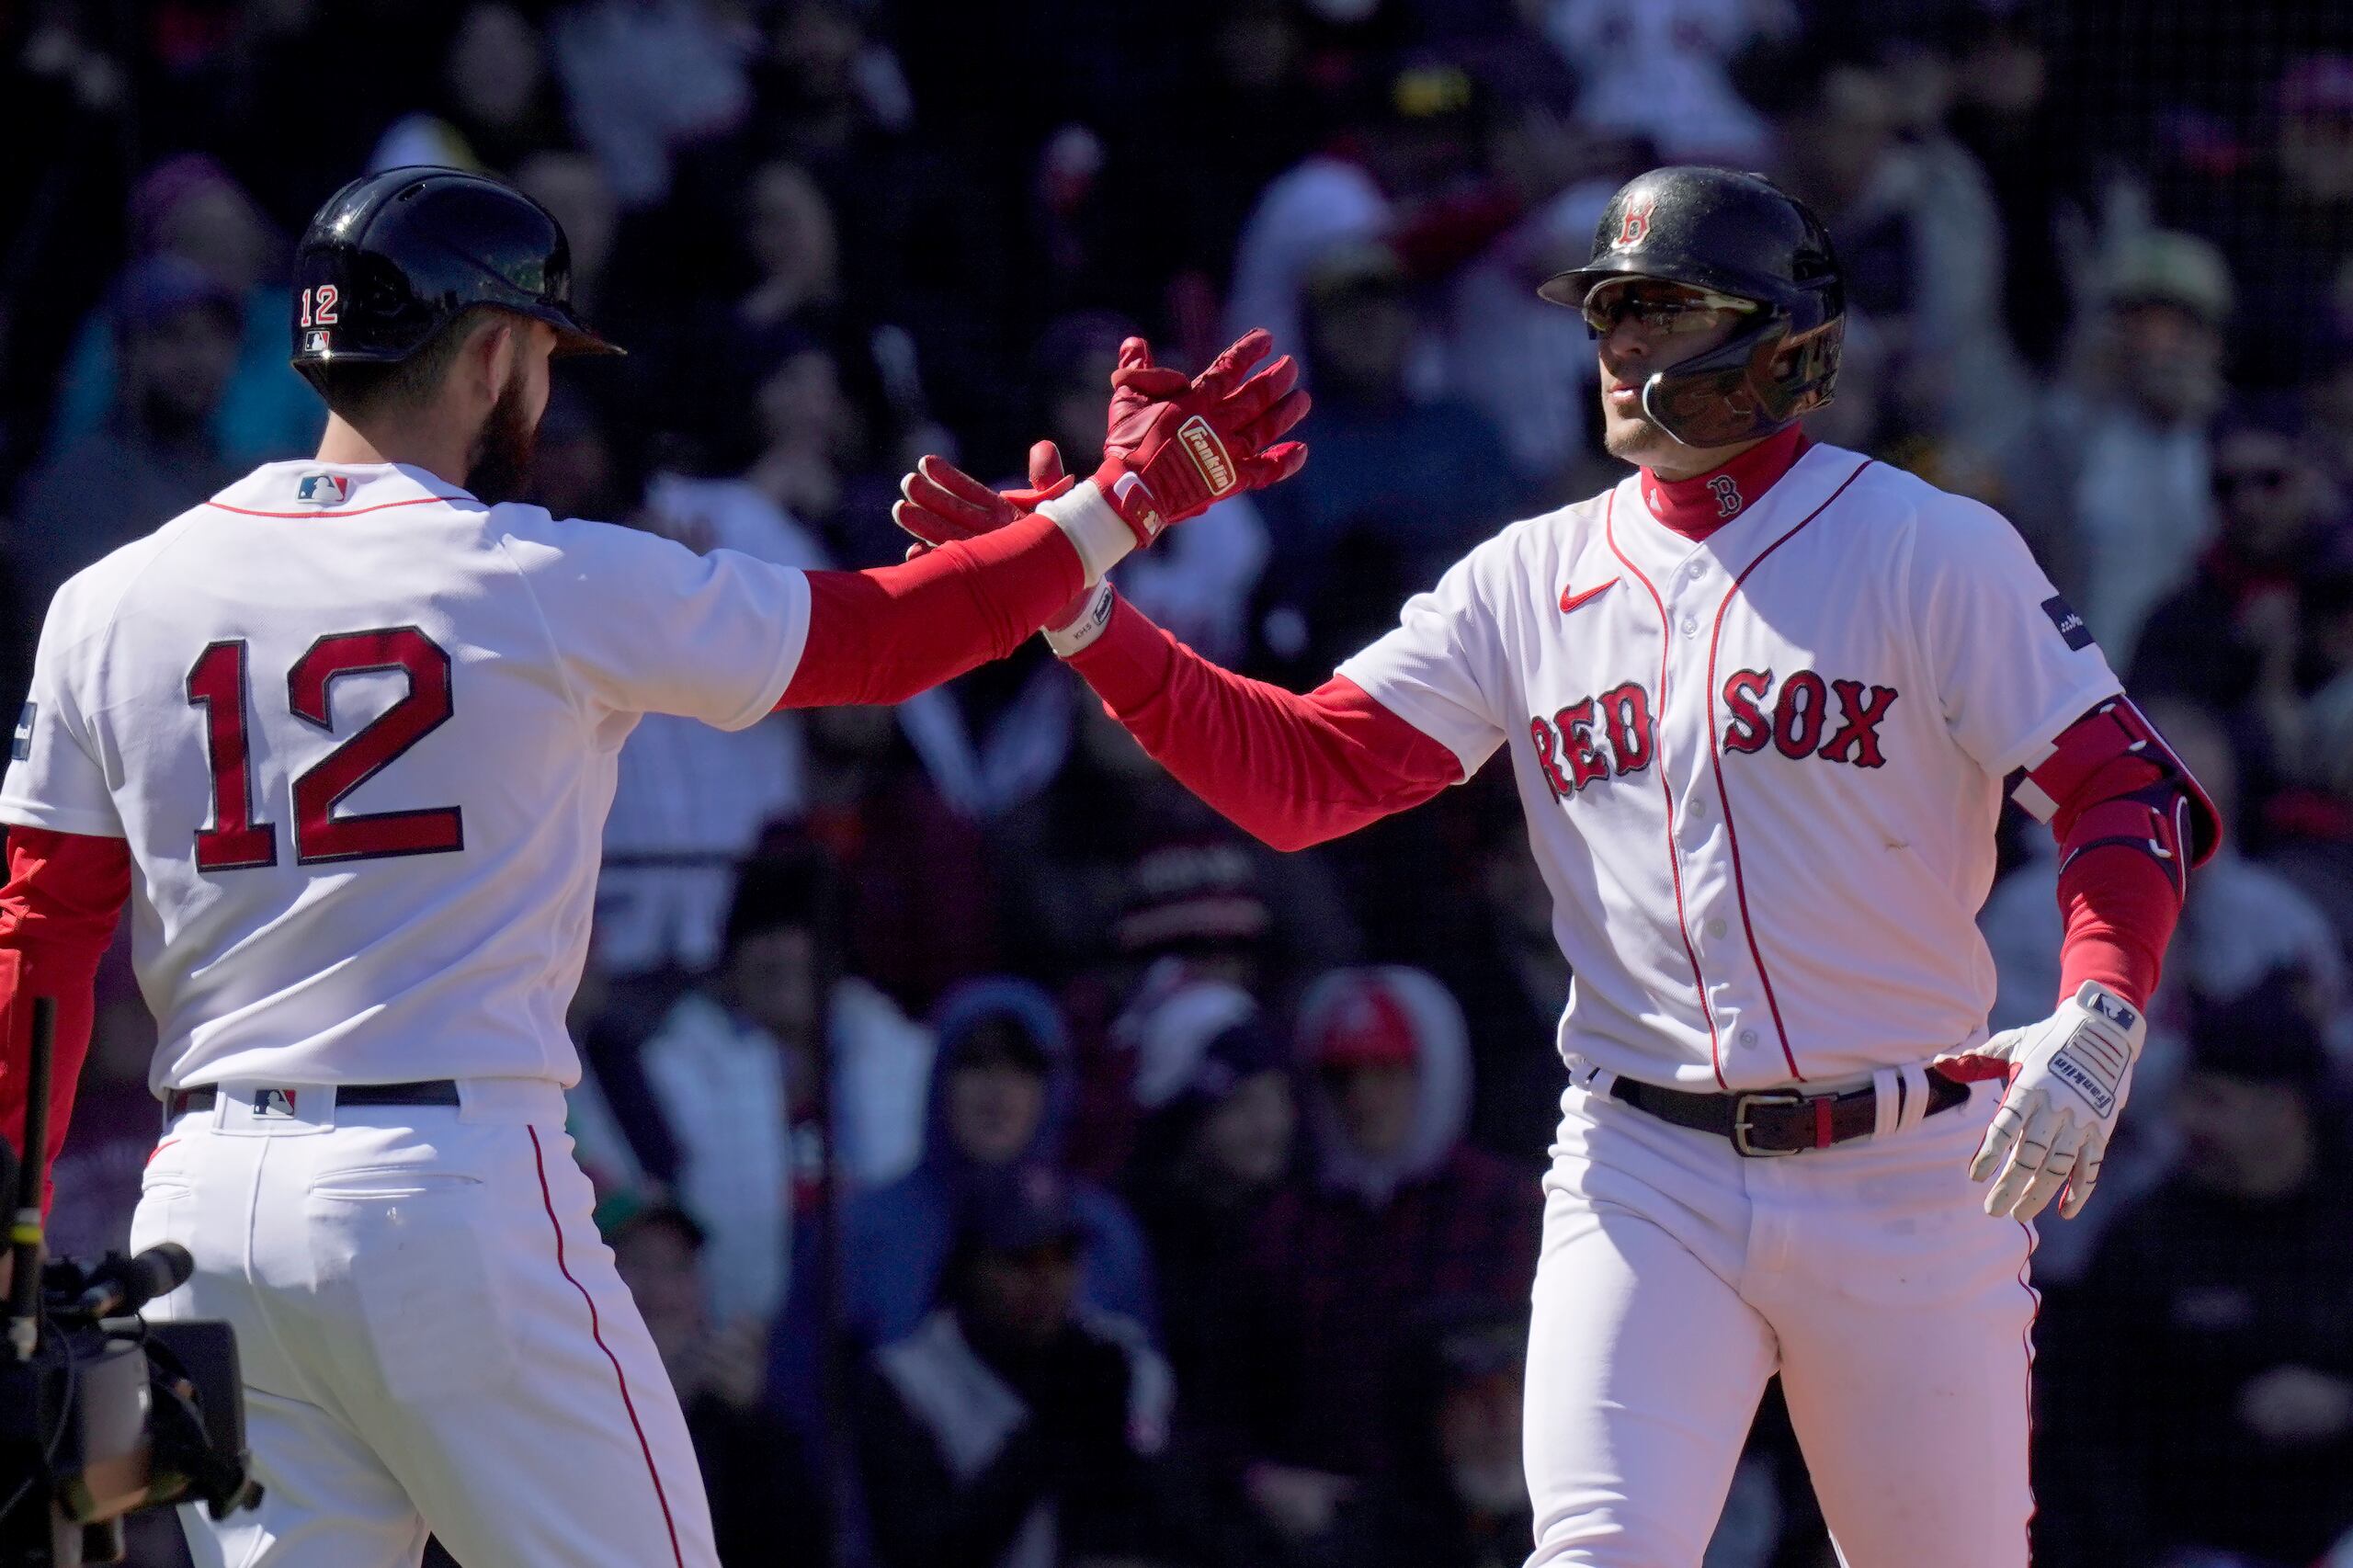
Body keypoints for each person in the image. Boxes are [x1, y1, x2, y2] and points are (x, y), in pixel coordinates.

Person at [894, 165, 2220, 1567]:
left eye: (1660, 309)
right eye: (1606, 313)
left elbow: (2123, 783)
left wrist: (2103, 1006)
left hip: (1905, 1168)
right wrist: (1088, 614)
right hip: (1644, 1164)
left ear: (1787, 339)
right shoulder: (1529, 576)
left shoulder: (1931, 546)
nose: (1622, 346)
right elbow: (1305, 777)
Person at [0, 165, 1305, 1568]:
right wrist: (1122, 506)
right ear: (495, 348)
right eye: (543, 356)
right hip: (449, 1182)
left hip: (205, 1205)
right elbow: (887, 636)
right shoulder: (533, 575)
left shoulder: (109, 600)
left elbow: (40, 933)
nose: (545, 396)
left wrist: (15, 1227)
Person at [2034, 978, 2353, 1568]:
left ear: (2283, 1111)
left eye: (2214, 1103)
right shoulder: (2151, 1238)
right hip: (2191, 1542)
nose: (2186, 1122)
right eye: (2188, 1097)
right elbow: (2086, 1422)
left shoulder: (2339, 1223)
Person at [851, 1161, 1176, 1568]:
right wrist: (1043, 1439)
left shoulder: (1121, 1357)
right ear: (970, 1267)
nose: (1047, 1279)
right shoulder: (907, 1385)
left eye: (1062, 1255)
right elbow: (923, 1551)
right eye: (1023, 1259)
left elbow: (1168, 1516)